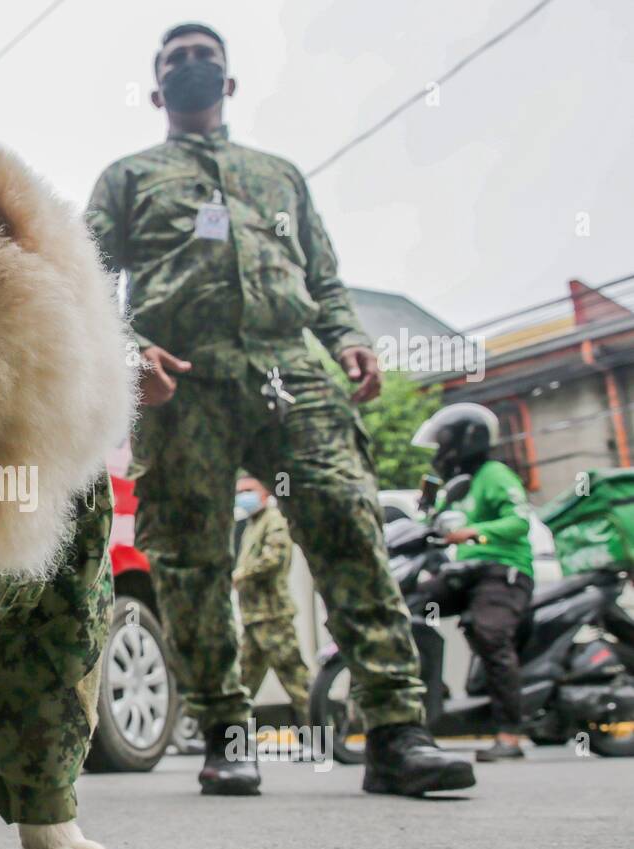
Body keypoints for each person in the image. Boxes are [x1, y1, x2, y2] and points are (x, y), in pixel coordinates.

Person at [86, 22, 475, 797]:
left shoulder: (279, 175)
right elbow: (86, 278)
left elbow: (324, 276)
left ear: (228, 84)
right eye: (176, 62)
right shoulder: (128, 177)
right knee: (191, 560)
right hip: (181, 377)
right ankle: (227, 733)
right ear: (158, 89)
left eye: (207, 59)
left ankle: (398, 730)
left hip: (289, 371)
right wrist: (127, 351)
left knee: (348, 523)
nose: (193, 68)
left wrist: (349, 338)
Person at [413, 404, 534, 762]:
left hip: (503, 570)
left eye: (443, 443)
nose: (439, 452)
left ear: (466, 439)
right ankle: (432, 696)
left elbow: (520, 521)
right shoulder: (457, 485)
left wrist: (474, 533)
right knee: (408, 604)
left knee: (489, 634)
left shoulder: (494, 474)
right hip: (466, 574)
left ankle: (510, 734)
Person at [233, 477, 311, 729]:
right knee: (243, 683)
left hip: (273, 615)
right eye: (240, 491)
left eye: (249, 490)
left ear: (265, 493)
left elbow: (275, 558)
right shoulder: (252, 524)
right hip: (253, 616)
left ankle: (318, 734)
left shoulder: (274, 519)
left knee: (296, 679)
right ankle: (232, 737)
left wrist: (240, 574)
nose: (243, 496)